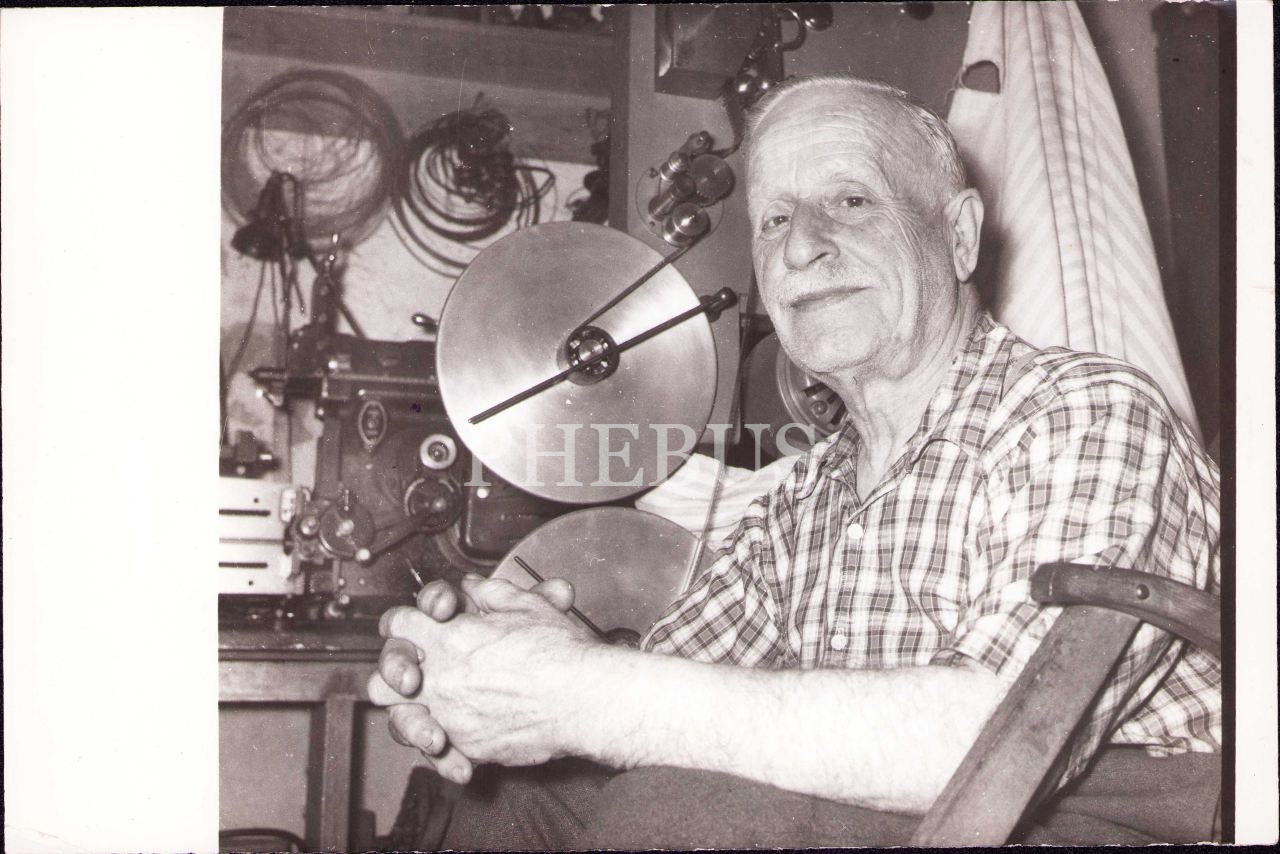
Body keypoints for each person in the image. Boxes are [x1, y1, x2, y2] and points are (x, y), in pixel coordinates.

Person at [367, 75, 1222, 849]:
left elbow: (1005, 738)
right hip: (897, 816)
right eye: (775, 218)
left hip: (1092, 814)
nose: (801, 246)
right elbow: (673, 684)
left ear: (959, 236)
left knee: (675, 818)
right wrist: (510, 663)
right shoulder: (808, 494)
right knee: (503, 811)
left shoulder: (1082, 411)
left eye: (851, 200)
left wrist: (579, 692)